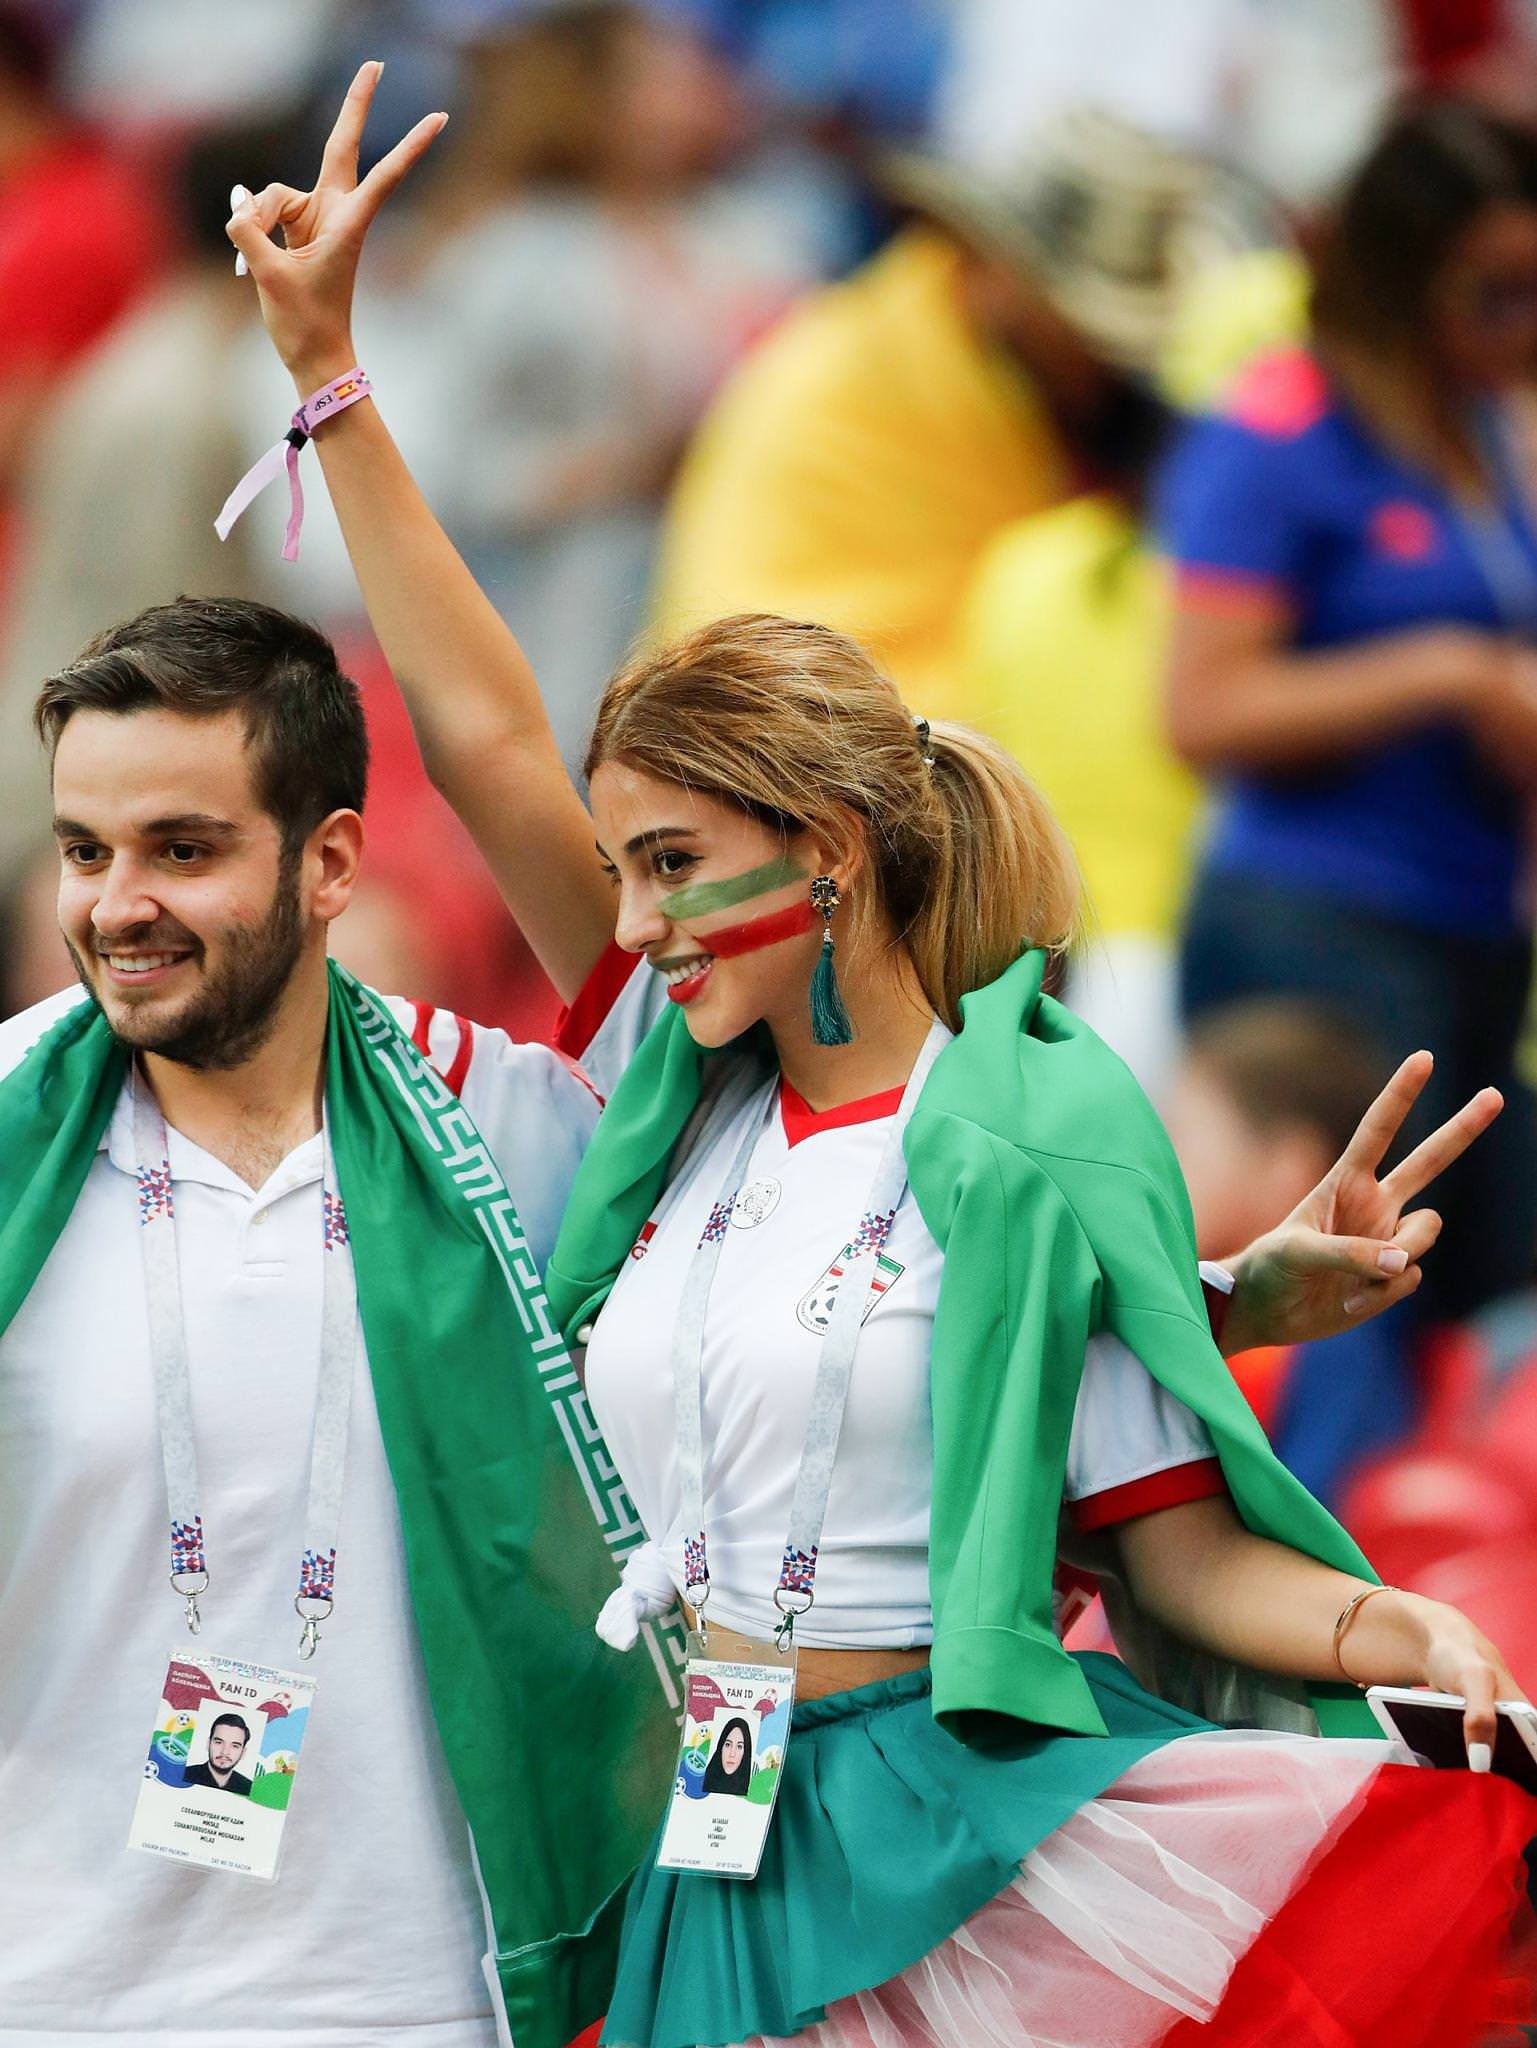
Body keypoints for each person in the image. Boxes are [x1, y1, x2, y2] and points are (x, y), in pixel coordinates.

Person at [226, 67, 1537, 2047]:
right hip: (688, 1849)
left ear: (826, 851)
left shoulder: (1036, 1119)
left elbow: (1179, 1547)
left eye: (675, 865)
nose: (631, 923)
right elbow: (483, 735)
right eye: (621, 868)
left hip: (944, 1847)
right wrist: (330, 375)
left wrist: (1407, 1622)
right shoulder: (675, 1086)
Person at [0, 593, 680, 2048]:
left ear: (330, 863)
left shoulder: (507, 1124)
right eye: (86, 851)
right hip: (49, 1995)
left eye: (183, 850)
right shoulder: (6, 1126)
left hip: (424, 1998)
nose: (116, 906)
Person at [1159, 99, 1537, 1334]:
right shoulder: (1280, 430)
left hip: (1468, 927)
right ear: (1400, 277)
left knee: (1461, 1299)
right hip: (1315, 928)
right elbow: (1199, 704)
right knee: (1335, 1315)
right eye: (1494, 290)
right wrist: (1447, 673)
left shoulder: (1473, 423)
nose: (1523, 319)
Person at [648, 106, 1274, 717]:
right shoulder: (844, 395)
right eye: (1086, 326)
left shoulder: (1014, 389)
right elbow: (753, 677)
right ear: (992, 266)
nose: (1109, 362)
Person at [183, 1714, 255, 1797]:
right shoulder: (185, 1775)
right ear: (208, 1744)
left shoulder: (248, 1788)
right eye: (219, 1742)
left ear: (243, 1752)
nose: (225, 1752)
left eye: (235, 1746)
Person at [701, 1717, 752, 1797]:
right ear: (721, 1747)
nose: (732, 1754)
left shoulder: (749, 1794)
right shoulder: (706, 1782)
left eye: (739, 1746)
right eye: (728, 1744)